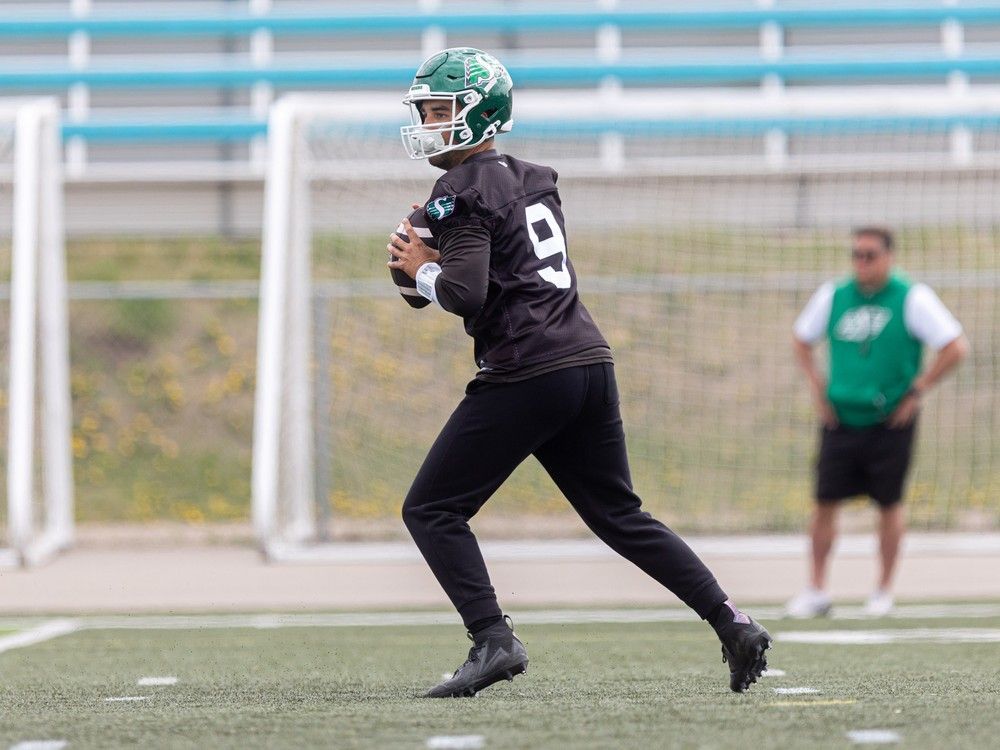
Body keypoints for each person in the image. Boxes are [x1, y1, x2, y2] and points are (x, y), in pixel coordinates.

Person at [387, 47, 771, 698]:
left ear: (477, 113)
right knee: (620, 513)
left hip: (527, 366)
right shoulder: (532, 179)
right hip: (587, 361)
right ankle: (732, 622)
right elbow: (486, 272)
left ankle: (493, 639)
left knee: (431, 509)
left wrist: (422, 268)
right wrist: (428, 264)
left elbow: (464, 294)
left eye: (438, 110)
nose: (427, 123)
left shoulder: (458, 190)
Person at [786, 226, 968, 618]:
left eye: (870, 255)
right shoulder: (834, 295)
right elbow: (801, 339)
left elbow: (955, 346)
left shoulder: (912, 297)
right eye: (856, 255)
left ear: (888, 257)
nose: (862, 263)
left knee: (889, 503)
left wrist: (917, 390)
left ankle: (882, 591)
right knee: (824, 501)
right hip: (841, 419)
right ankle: (816, 589)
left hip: (890, 422)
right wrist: (818, 388)